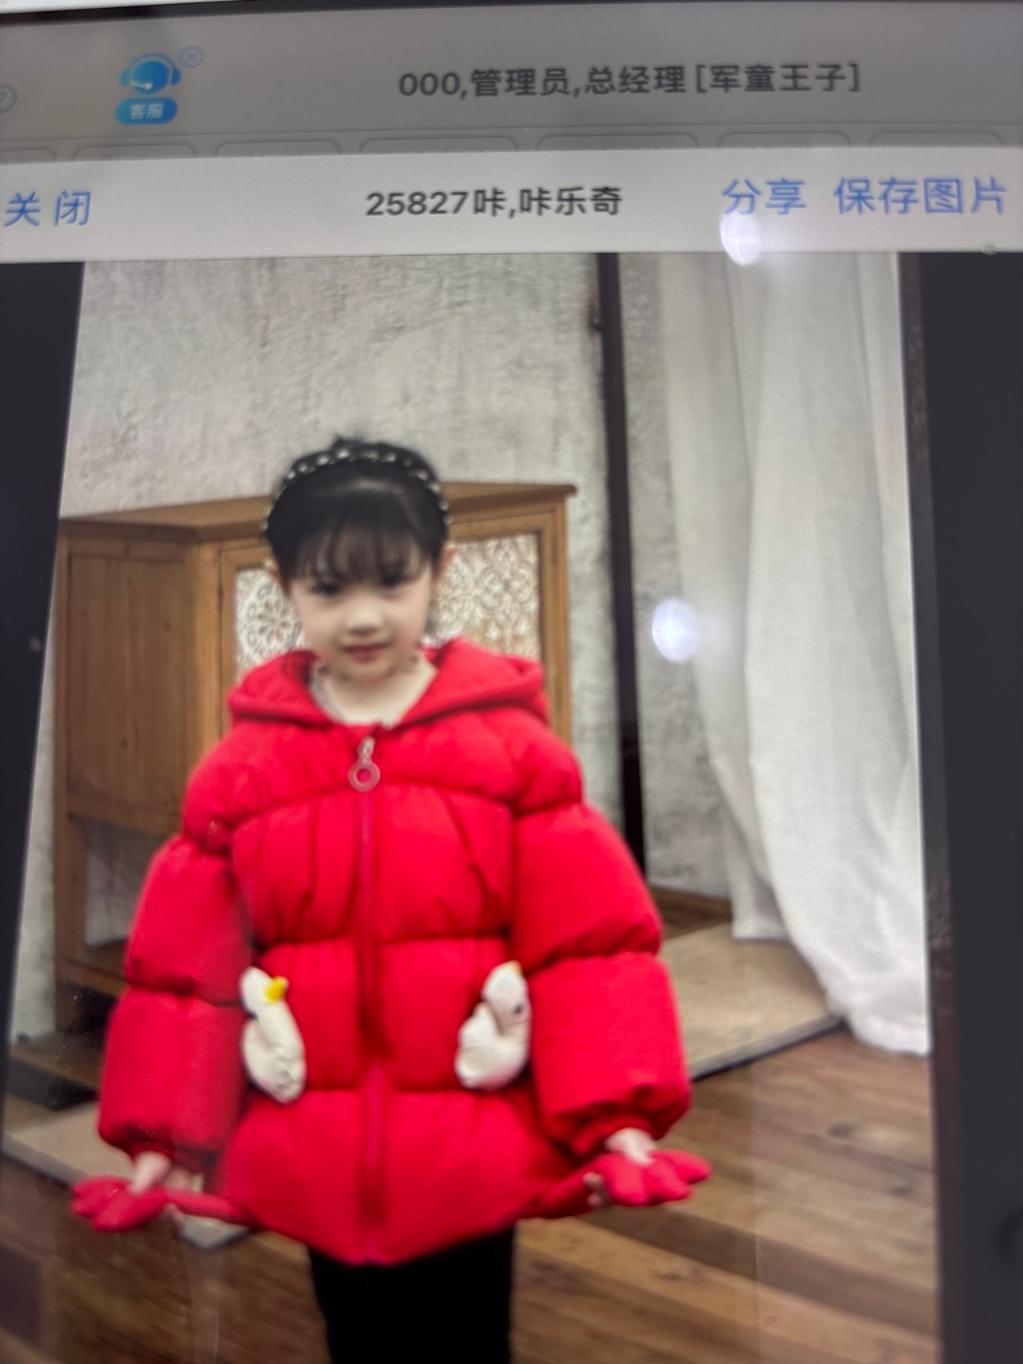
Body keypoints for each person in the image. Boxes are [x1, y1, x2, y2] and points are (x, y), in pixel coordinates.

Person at [94, 436, 709, 1362]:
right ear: (283, 585)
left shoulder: (511, 754)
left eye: (392, 581)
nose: (363, 616)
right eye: (328, 589)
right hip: (322, 1147)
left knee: (469, 1340)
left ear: (438, 569)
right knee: (358, 1338)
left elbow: (587, 948)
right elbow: (185, 975)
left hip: (468, 1139)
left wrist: (614, 1111)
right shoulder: (244, 771)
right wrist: (165, 1130)